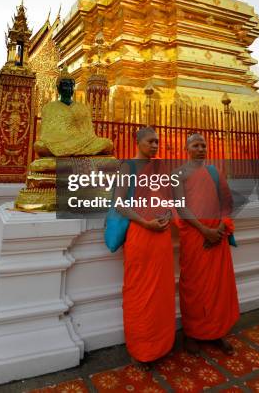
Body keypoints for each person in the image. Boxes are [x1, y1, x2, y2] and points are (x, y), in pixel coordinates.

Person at [115, 127, 175, 368]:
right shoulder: (127, 167)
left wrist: (168, 214)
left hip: (161, 236)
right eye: (150, 141)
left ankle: (160, 345)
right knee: (139, 292)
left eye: (157, 142)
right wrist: (144, 222)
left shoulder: (160, 168)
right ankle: (140, 347)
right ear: (138, 142)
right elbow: (119, 204)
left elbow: (170, 199)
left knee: (161, 293)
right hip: (140, 235)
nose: (155, 145)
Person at [175, 133, 239, 356]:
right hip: (195, 236)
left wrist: (220, 227)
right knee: (194, 286)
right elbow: (181, 208)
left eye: (203, 145)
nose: (201, 149)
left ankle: (217, 331)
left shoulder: (214, 172)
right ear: (187, 148)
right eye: (195, 145)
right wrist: (205, 231)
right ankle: (192, 333)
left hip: (217, 237)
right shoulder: (179, 174)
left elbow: (226, 202)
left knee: (218, 287)